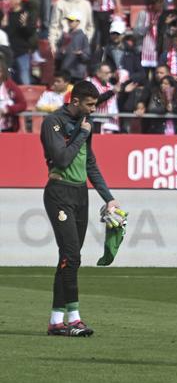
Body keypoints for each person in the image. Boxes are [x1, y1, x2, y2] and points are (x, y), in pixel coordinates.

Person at [38, 81, 119, 336]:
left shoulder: (86, 123)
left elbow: (90, 163)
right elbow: (61, 159)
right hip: (59, 193)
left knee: (68, 259)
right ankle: (73, 319)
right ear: (75, 101)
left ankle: (55, 322)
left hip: (80, 194)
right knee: (72, 256)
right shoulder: (53, 122)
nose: (93, 110)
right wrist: (82, 133)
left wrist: (108, 197)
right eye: (90, 104)